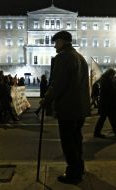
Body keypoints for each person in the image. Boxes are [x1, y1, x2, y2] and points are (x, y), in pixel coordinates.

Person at [40, 30, 90, 184]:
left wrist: (46, 99)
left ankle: (73, 173)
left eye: (56, 42)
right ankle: (79, 168)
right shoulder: (80, 57)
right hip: (79, 107)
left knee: (68, 142)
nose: (54, 45)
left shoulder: (63, 58)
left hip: (68, 107)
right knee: (76, 140)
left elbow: (58, 84)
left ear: (62, 42)